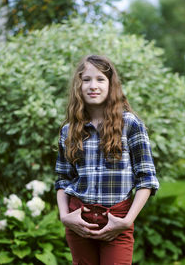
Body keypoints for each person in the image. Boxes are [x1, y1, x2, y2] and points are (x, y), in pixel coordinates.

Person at [54, 54, 159, 264]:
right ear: (78, 85)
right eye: (86, 79)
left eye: (100, 79)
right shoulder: (69, 131)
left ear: (111, 84)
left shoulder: (130, 125)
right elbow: (63, 179)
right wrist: (65, 217)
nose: (93, 86)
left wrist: (126, 221)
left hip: (117, 219)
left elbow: (146, 180)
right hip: (79, 220)